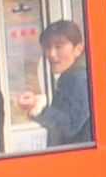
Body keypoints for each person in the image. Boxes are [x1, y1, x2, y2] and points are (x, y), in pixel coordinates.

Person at [35, 18, 92, 148]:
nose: (51, 54)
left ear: (78, 49)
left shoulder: (78, 79)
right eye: (47, 47)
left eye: (58, 47)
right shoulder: (72, 77)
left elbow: (69, 124)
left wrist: (40, 110)